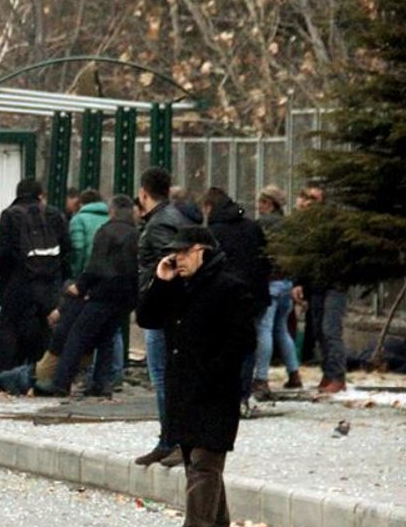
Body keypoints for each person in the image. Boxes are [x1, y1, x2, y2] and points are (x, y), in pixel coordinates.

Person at [136, 226, 256, 527]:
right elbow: (147, 317)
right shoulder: (179, 286)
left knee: (205, 460)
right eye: (174, 253)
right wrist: (161, 281)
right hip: (183, 389)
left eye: (184, 252)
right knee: (196, 460)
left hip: (216, 390)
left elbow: (243, 342)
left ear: (202, 250)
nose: (177, 259)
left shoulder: (230, 287)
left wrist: (216, 373)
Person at [42, 196, 139, 398]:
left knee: (77, 335)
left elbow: (95, 265)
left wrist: (82, 286)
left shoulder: (105, 231)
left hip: (101, 293)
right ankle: (102, 384)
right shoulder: (135, 233)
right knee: (107, 338)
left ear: (112, 211)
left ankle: (61, 383)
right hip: (124, 296)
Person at [133, 167, 195, 467]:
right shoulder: (175, 217)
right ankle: (171, 439)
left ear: (143, 193)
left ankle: (171, 440)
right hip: (168, 309)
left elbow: (168, 266)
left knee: (163, 376)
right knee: (167, 375)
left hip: (161, 309)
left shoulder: (159, 225)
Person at [199, 187, 270, 412]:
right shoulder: (252, 226)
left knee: (221, 346)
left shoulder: (212, 232)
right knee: (247, 344)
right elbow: (265, 260)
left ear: (209, 207)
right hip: (254, 296)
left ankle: (224, 395)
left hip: (224, 298)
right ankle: (243, 394)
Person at [0, 178, 71, 374]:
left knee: (8, 330)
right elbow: (66, 250)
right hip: (49, 286)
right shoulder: (54, 214)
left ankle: (7, 376)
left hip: (17, 286)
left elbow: (5, 251)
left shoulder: (10, 215)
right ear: (40, 195)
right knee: (42, 333)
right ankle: (39, 376)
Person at [292, 181, 348, 394]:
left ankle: (337, 376)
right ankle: (328, 372)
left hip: (334, 282)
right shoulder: (304, 227)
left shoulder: (332, 226)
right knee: (319, 330)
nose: (307, 203)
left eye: (312, 199)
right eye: (305, 198)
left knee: (330, 329)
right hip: (316, 283)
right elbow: (302, 256)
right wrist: (299, 282)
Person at [252, 185, 303, 395]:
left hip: (270, 282)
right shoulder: (290, 225)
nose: (258, 206)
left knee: (264, 329)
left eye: (261, 202)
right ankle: (294, 373)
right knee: (281, 329)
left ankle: (261, 378)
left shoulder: (261, 225)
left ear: (269, 204)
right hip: (287, 283)